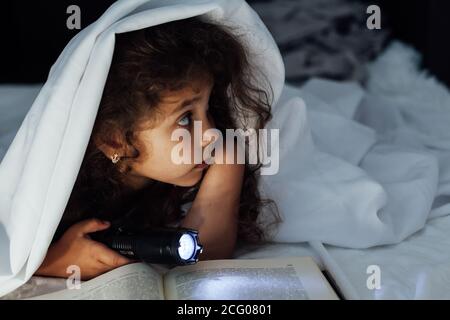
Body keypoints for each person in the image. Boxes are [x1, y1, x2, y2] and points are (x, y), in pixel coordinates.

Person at [34, 17, 279, 280]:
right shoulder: (56, 187)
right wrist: (52, 260)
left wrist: (229, 160)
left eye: (207, 108)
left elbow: (204, 253)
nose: (211, 133)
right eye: (185, 119)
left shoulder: (207, 151)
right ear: (115, 140)